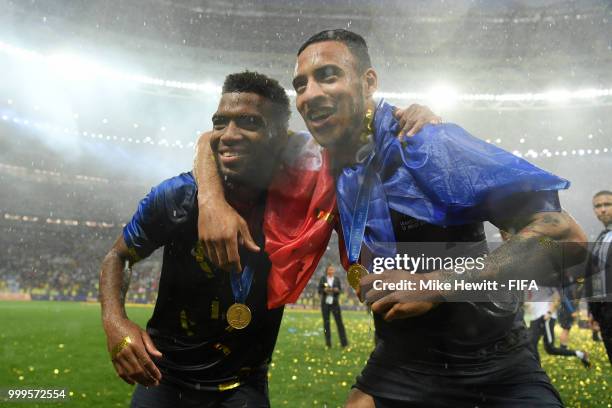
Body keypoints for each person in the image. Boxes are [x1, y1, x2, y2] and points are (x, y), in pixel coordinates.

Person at [195, 29, 588, 407]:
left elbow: (567, 238)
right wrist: (211, 200)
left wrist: (436, 284)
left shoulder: (423, 142)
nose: (310, 94)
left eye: (327, 76)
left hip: (495, 365)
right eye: (300, 85)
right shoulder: (316, 160)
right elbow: (217, 139)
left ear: (368, 82)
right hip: (401, 364)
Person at [100, 71, 293, 407]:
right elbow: (118, 257)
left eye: (248, 122)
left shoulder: (296, 202)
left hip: (243, 384)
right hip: (165, 377)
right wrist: (115, 322)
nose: (229, 135)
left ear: (280, 137)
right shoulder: (176, 198)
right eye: (220, 122)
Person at [525, 286, 590, 367]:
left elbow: (557, 296)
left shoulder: (548, 280)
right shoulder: (529, 281)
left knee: (550, 349)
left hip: (546, 317)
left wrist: (549, 313)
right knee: (531, 344)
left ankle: (581, 354)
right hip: (534, 318)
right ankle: (535, 370)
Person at [586, 190, 612, 364]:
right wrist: (594, 311)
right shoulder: (601, 238)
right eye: (598, 206)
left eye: (607, 204)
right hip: (605, 313)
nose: (602, 209)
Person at [318, 264, 348, 348]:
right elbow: (319, 290)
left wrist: (336, 290)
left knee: (339, 323)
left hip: (335, 303)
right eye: (329, 269)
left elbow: (340, 290)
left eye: (332, 269)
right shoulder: (323, 279)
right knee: (326, 323)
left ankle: (344, 343)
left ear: (334, 271)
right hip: (325, 304)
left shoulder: (337, 279)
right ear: (327, 271)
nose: (331, 271)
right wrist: (324, 290)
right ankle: (328, 344)